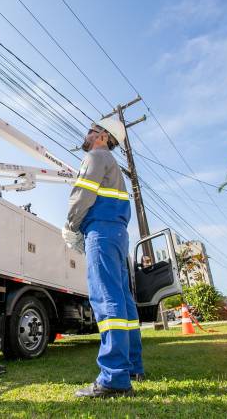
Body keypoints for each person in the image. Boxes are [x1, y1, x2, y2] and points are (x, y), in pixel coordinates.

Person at [62, 118, 144, 398]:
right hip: (118, 233)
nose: (86, 134)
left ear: (103, 136)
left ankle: (114, 378)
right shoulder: (113, 165)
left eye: (91, 130)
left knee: (106, 299)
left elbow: (83, 193)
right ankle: (132, 366)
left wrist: (71, 224)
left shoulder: (96, 156)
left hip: (101, 231)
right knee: (122, 300)